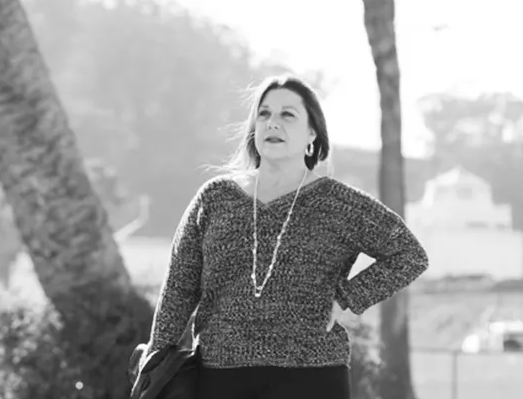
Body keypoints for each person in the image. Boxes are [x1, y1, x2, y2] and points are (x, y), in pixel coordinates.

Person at [146, 75, 431, 399]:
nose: (273, 123)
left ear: (312, 133)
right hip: (220, 377)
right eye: (264, 114)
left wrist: (348, 298)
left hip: (313, 377)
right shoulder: (215, 198)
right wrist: (154, 366)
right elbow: (178, 289)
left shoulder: (339, 203)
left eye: (287, 115)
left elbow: (410, 255)